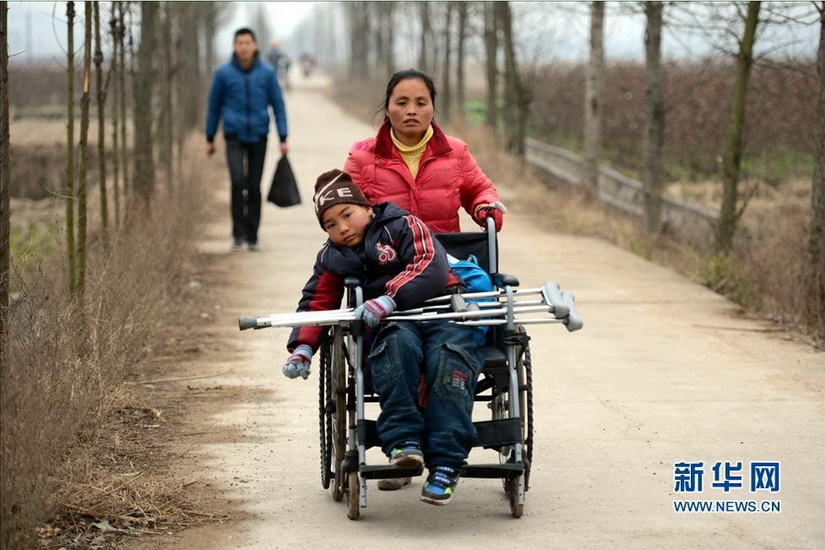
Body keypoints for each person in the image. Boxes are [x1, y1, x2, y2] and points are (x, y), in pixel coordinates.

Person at [282, 169, 484, 506]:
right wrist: (303, 347)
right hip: (393, 326)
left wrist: (391, 296)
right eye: (331, 224)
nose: (342, 227)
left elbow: (430, 264)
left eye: (347, 214)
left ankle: (446, 464)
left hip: (445, 313)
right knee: (395, 350)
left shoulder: (403, 225)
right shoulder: (333, 257)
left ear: (367, 207)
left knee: (449, 363)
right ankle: (404, 444)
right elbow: (317, 302)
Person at [343, 68, 507, 235]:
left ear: (432, 108)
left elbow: (479, 190)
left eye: (421, 103)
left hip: (444, 256)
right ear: (387, 108)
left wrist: (485, 207)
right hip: (386, 258)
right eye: (401, 103)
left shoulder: (456, 153)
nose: (411, 110)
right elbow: (344, 211)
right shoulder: (361, 159)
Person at [206, 27, 288, 252]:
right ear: (234, 46)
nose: (243, 47)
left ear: (255, 45)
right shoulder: (223, 73)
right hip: (233, 135)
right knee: (237, 181)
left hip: (259, 136)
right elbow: (214, 106)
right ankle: (237, 234)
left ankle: (252, 236)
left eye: (247, 43)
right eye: (239, 43)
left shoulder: (267, 73)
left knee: (253, 185)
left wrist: (283, 136)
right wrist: (209, 137)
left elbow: (278, 105)